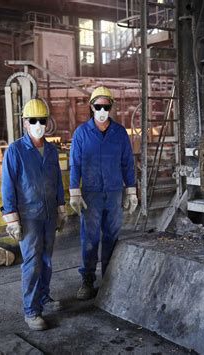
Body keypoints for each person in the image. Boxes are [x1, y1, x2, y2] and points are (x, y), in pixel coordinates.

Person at [1, 98, 66, 331]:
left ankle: (44, 296)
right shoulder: (15, 151)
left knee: (47, 260)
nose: (38, 124)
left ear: (47, 122)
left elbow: (57, 180)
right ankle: (31, 311)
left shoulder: (50, 150)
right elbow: (7, 187)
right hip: (28, 216)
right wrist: (12, 219)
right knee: (32, 262)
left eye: (42, 120)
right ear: (25, 123)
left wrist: (61, 208)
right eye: (33, 121)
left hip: (48, 213)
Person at [69, 86, 138, 300]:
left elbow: (128, 163)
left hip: (114, 192)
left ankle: (108, 278)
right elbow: (75, 164)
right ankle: (87, 280)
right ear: (91, 107)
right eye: (98, 106)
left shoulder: (119, 133)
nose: (102, 110)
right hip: (91, 194)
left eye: (105, 106)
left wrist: (132, 191)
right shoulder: (81, 133)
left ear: (111, 107)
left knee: (111, 237)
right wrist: (74, 192)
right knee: (89, 238)